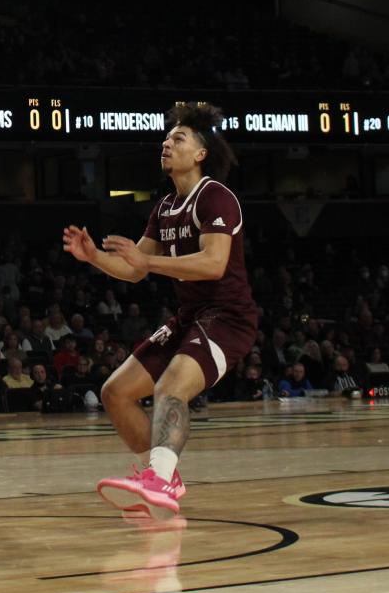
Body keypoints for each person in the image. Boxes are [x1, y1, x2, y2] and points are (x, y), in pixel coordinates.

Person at [64, 103, 258, 520]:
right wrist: (95, 256)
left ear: (201, 153)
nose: (166, 143)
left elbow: (213, 264)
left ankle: (161, 477)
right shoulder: (166, 206)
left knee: (170, 386)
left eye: (178, 138)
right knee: (115, 393)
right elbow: (133, 270)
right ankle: (161, 472)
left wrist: (146, 262)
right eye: (166, 138)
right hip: (190, 316)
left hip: (227, 316)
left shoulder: (216, 197)